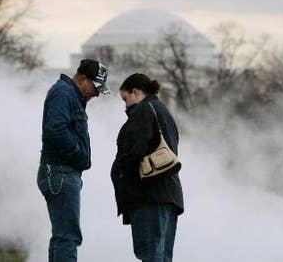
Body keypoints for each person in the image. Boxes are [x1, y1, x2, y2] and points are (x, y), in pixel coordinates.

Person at [38, 58, 109, 262]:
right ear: (82, 79)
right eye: (95, 87)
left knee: (62, 235)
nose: (96, 93)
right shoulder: (64, 93)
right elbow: (56, 130)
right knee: (68, 236)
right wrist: (80, 155)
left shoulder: (68, 94)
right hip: (61, 172)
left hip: (60, 172)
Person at [111, 73, 184, 262]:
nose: (125, 105)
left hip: (148, 196)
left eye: (125, 99)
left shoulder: (142, 111)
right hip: (169, 195)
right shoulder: (164, 112)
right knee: (162, 257)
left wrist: (120, 174)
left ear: (135, 92)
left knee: (150, 255)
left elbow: (136, 151)